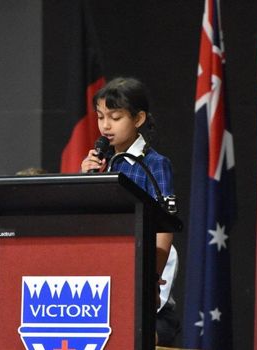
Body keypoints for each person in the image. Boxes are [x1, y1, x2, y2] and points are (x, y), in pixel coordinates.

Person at [80, 77, 180, 346]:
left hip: (143, 274)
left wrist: (151, 278)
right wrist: (85, 180)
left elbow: (164, 227)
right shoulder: (106, 164)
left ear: (138, 119)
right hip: (109, 271)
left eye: (115, 117)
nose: (105, 125)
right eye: (101, 117)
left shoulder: (154, 164)